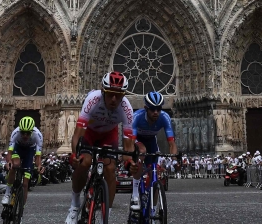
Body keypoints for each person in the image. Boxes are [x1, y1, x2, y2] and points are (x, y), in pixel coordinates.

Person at [65, 72, 135, 224]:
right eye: (110, 94)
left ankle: (106, 215)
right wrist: (74, 154)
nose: (114, 99)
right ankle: (74, 206)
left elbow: (128, 145)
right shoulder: (92, 99)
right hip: (89, 133)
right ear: (103, 91)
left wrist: (129, 162)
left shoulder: (127, 108)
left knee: (110, 169)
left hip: (109, 135)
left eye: (118, 95)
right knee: (84, 162)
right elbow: (78, 134)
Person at [129, 91, 178, 211]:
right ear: (146, 108)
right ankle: (135, 194)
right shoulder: (137, 117)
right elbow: (131, 142)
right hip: (137, 140)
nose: (156, 112)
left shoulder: (165, 117)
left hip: (151, 141)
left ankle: (153, 208)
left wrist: (174, 160)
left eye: (158, 109)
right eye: (152, 109)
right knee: (142, 150)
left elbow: (172, 143)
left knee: (155, 176)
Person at [2, 116, 43, 207]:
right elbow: (10, 151)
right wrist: (9, 162)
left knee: (25, 183)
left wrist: (39, 166)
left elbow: (38, 156)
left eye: (27, 133)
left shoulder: (38, 135)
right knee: (15, 165)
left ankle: (20, 209)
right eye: (23, 133)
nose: (25, 135)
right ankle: (7, 193)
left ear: (32, 132)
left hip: (30, 150)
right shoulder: (15, 132)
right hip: (18, 147)